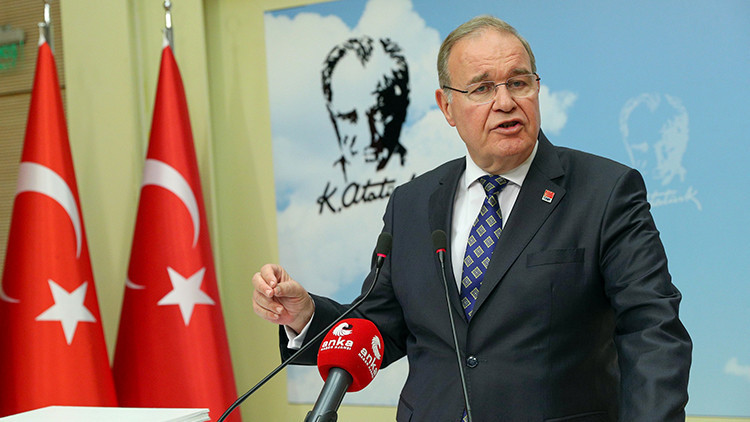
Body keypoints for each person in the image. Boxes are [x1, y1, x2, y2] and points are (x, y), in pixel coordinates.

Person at [253, 15, 692, 422]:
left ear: (537, 88)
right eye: (482, 88)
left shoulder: (605, 191)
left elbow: (652, 330)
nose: (505, 102)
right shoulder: (413, 202)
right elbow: (381, 324)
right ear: (446, 107)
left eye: (518, 82)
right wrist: (306, 316)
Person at [322, 36, 410, 182]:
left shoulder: (430, 180)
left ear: (403, 108)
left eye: (379, 115)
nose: (368, 138)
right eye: (349, 117)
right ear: (331, 115)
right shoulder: (313, 180)